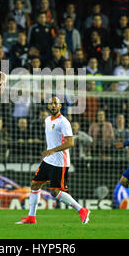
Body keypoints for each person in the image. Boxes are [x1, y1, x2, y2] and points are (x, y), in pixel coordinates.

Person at [16, 96, 90, 225]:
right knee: (35, 185)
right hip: (49, 159)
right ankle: (31, 217)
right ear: (48, 106)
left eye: (56, 103)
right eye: (51, 104)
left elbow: (70, 142)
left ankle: (82, 209)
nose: (53, 106)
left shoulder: (64, 122)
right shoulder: (47, 120)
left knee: (55, 191)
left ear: (60, 106)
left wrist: (52, 151)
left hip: (60, 162)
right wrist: (49, 152)